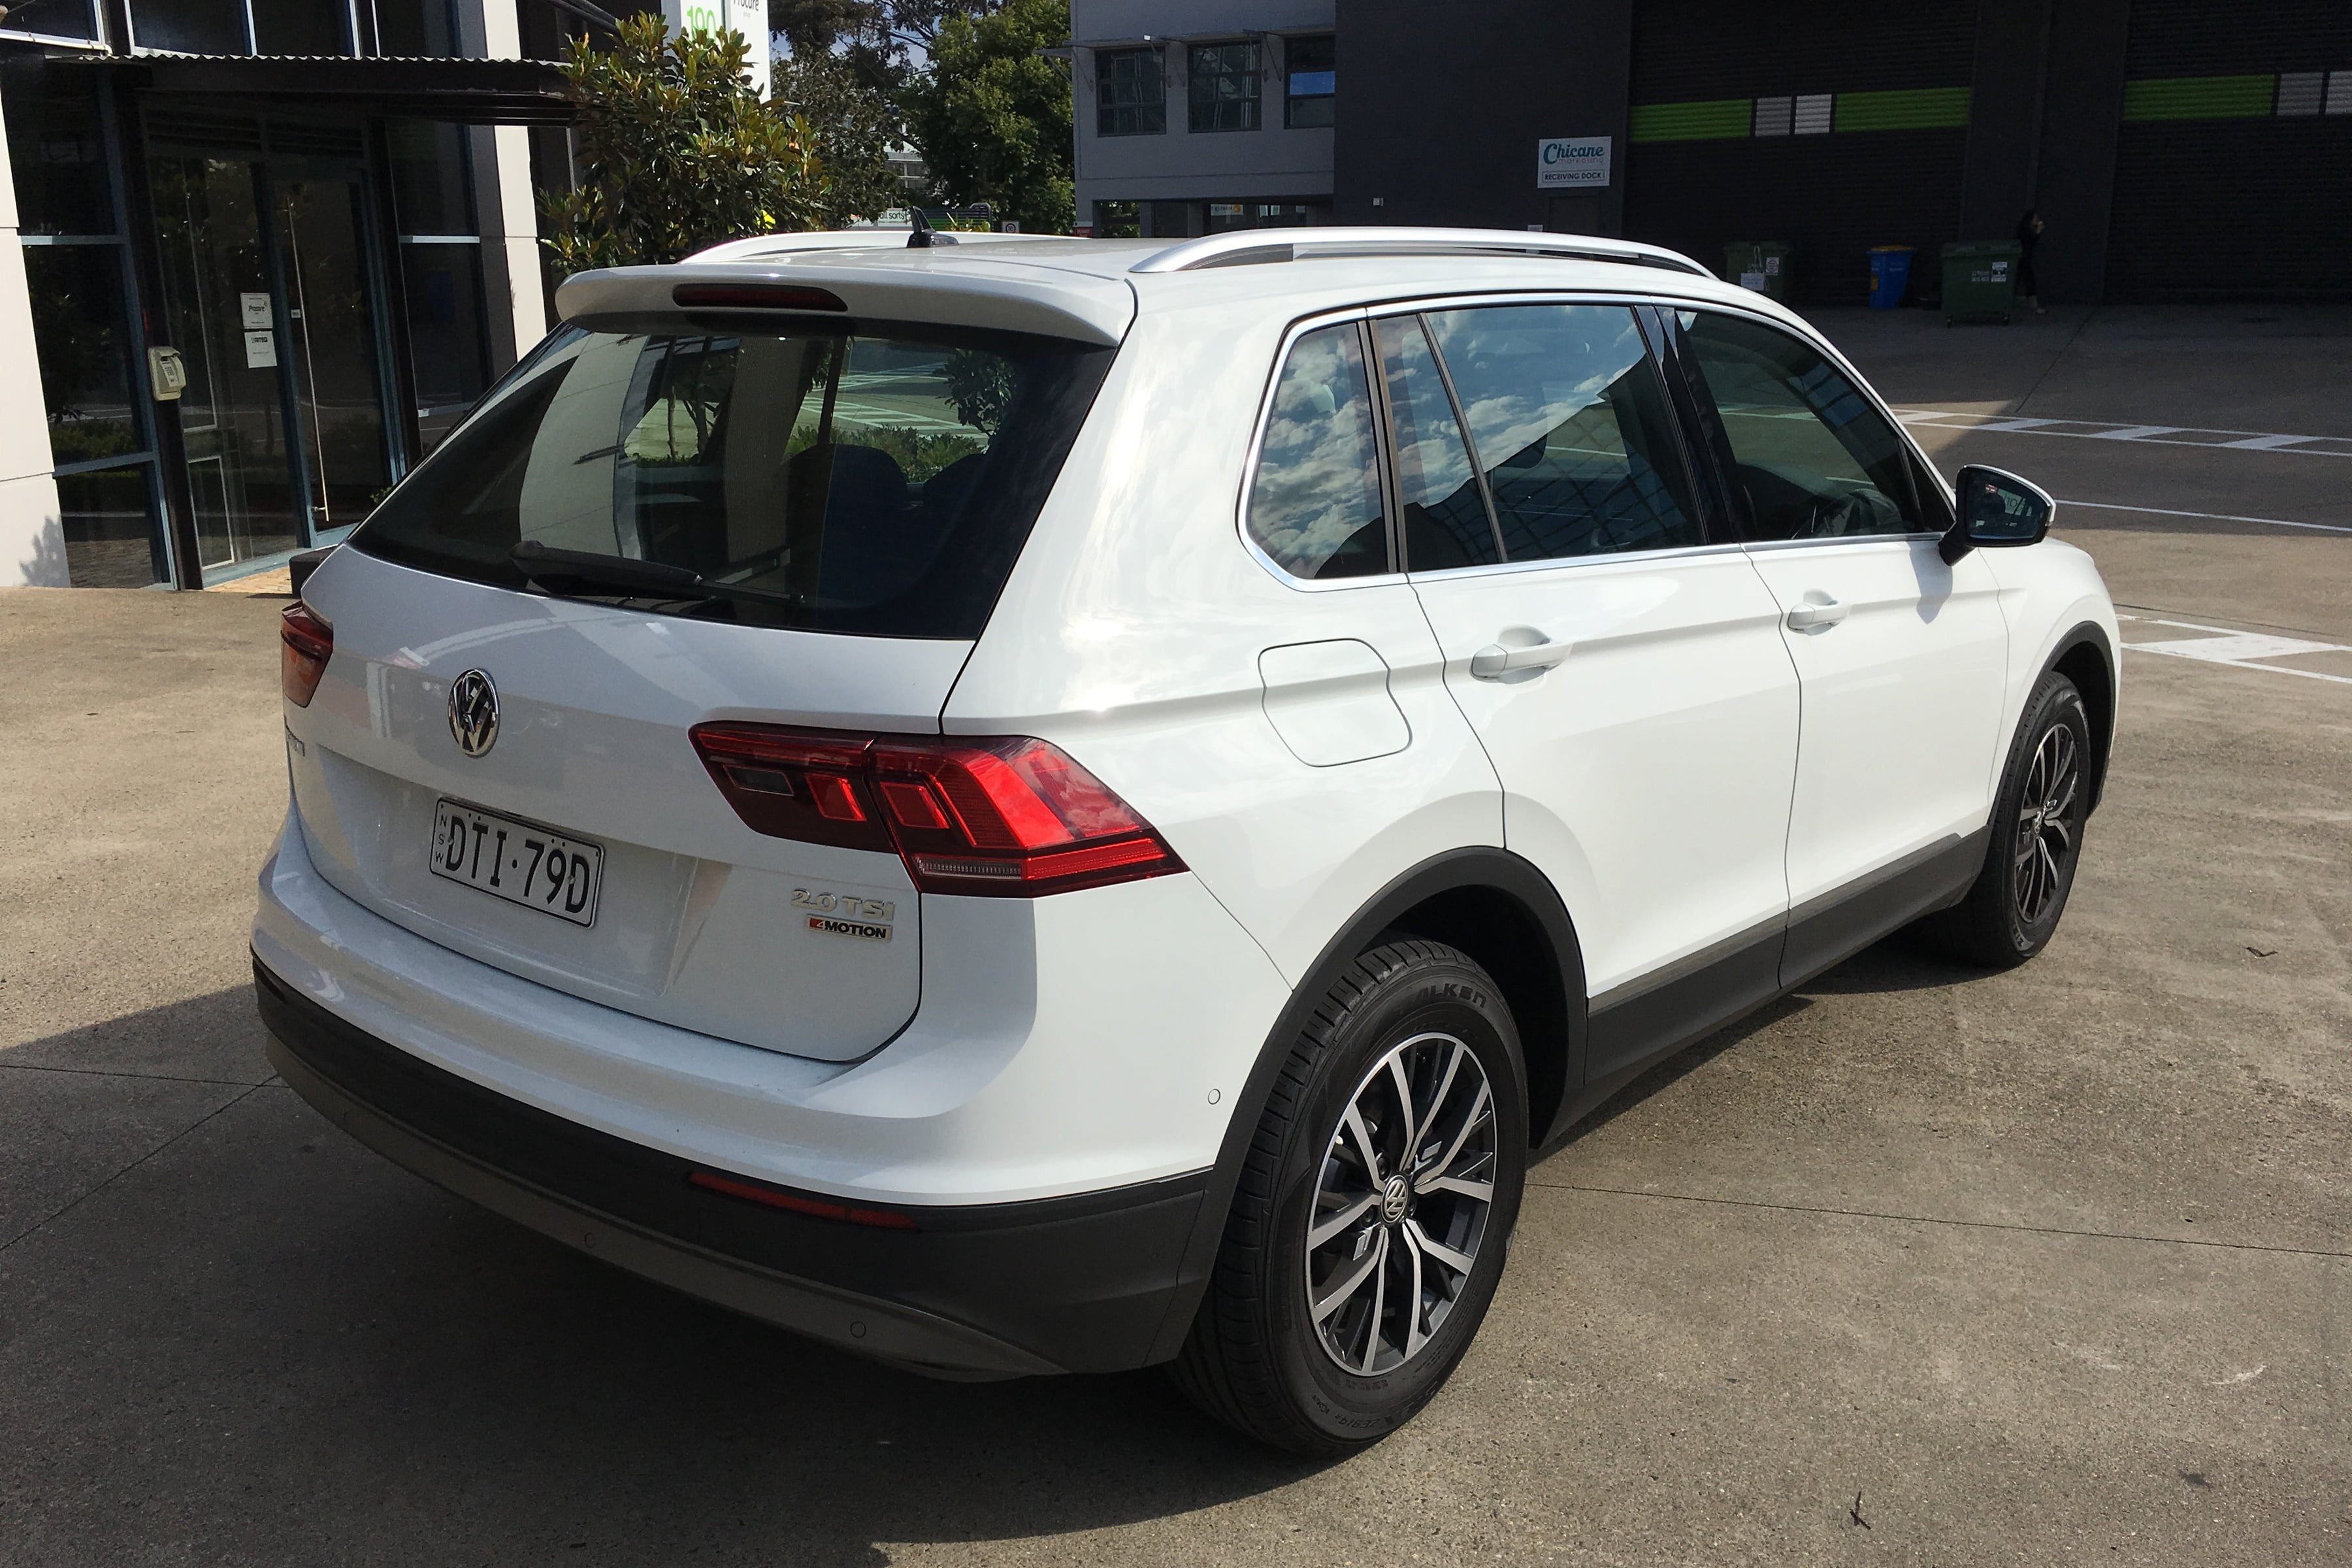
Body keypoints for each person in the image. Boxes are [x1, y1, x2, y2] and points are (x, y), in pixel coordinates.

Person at [2016, 209, 2046, 315]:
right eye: (2035, 218)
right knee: (2027, 281)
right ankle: (2033, 306)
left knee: (2025, 281)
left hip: (2023, 259)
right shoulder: (2025, 231)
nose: (2037, 220)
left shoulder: (2025, 229)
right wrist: (2038, 232)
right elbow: (2030, 244)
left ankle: (2031, 305)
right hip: (2022, 259)